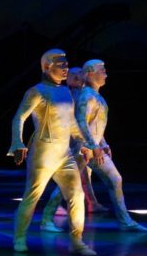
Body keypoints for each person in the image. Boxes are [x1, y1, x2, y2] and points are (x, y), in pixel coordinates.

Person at [8, 50, 97, 256]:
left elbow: (71, 123)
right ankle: (19, 237)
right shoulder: (37, 91)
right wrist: (17, 143)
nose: (66, 68)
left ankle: (77, 241)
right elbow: (19, 117)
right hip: (43, 153)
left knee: (77, 194)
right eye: (61, 64)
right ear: (47, 66)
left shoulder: (65, 91)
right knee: (32, 196)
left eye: (67, 64)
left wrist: (85, 144)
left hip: (64, 153)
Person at [72, 59, 147, 231]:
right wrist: (93, 146)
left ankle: (125, 221)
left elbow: (96, 125)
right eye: (102, 71)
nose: (105, 74)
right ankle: (47, 218)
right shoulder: (86, 96)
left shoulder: (96, 96)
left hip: (94, 148)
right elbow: (81, 123)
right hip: (84, 149)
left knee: (115, 179)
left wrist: (103, 143)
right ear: (90, 73)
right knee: (68, 185)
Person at [40, 67, 107, 227]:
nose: (79, 77)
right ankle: (50, 212)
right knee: (69, 176)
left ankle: (92, 203)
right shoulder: (69, 94)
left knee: (84, 175)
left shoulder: (82, 94)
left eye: (80, 74)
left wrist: (100, 143)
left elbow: (92, 123)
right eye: (75, 75)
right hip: (71, 142)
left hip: (81, 141)